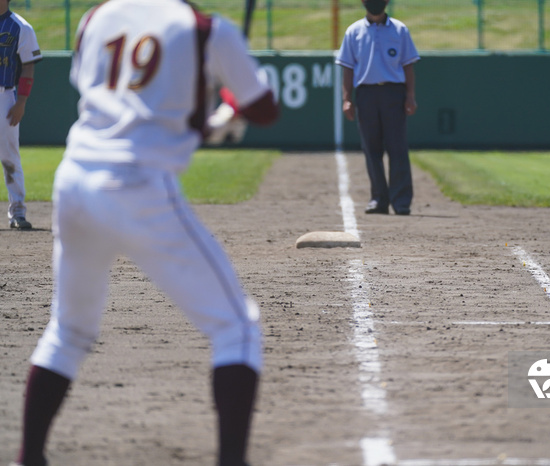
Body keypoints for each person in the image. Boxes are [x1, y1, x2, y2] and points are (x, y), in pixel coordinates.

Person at [11, 0, 278, 465]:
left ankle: (28, 458)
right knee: (236, 328)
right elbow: (266, 110)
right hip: (140, 185)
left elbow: (127, 107)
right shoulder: (206, 30)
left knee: (68, 332)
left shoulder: (97, 18)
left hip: (75, 180)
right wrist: (235, 105)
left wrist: (214, 120)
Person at [336, 0, 419, 215]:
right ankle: (378, 199)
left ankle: (401, 201)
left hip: (393, 93)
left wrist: (410, 96)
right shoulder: (353, 31)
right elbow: (347, 67)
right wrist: (347, 98)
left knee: (397, 147)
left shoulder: (400, 30)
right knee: (371, 149)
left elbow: (408, 65)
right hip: (366, 94)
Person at [0, 0, 42, 230]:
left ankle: (17, 211)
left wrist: (21, 102)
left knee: (9, 157)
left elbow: (28, 65)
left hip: (4, 96)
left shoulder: (20, 27)